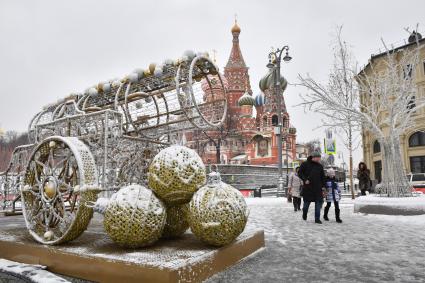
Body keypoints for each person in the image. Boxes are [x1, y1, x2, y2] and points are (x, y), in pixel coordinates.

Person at [298, 151, 326, 224]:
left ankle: (317, 219)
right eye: (318, 158)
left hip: (318, 189)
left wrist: (323, 186)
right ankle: (304, 214)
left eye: (319, 158)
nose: (319, 159)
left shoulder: (320, 166)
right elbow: (300, 172)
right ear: (313, 157)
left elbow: (323, 177)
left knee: (318, 204)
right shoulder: (305, 164)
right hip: (308, 188)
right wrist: (305, 180)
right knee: (306, 206)